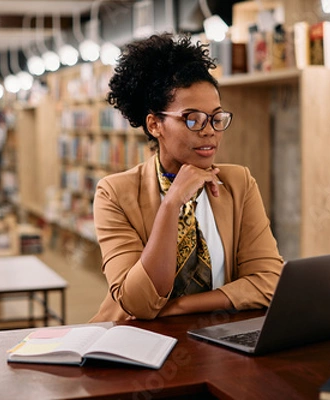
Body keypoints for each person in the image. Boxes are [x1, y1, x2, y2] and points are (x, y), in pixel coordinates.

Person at [90, 33, 283, 322]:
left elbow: (269, 281)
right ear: (155, 124)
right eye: (192, 119)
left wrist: (179, 307)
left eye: (216, 118)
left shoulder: (238, 183)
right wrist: (172, 205)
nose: (209, 131)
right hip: (136, 346)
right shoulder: (114, 193)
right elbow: (139, 303)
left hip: (215, 341)